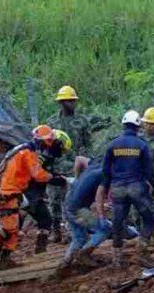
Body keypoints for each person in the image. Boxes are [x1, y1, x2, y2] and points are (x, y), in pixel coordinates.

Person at [0, 125, 65, 271]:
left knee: (13, 228)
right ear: (45, 141)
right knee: (9, 229)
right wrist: (56, 178)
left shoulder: (20, 149)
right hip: (7, 192)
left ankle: (4, 260)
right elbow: (38, 175)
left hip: (8, 191)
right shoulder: (28, 153)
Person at [102, 111, 154, 269]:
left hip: (118, 188)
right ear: (138, 126)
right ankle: (141, 252)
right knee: (150, 218)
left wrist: (106, 191)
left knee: (117, 222)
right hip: (136, 188)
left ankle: (116, 260)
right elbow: (149, 171)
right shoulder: (142, 145)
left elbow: (106, 171)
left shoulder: (112, 145)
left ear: (123, 125)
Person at [46, 85, 95, 242]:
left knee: (74, 201)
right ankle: (56, 231)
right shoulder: (51, 122)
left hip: (75, 169)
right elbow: (45, 145)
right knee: (54, 201)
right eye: (69, 101)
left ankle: (73, 232)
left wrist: (86, 164)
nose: (72, 104)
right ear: (61, 102)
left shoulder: (82, 121)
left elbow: (88, 145)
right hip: (55, 168)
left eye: (73, 101)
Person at [25, 128, 72, 253]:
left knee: (45, 220)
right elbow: (37, 174)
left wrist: (54, 176)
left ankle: (41, 250)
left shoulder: (45, 155)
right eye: (61, 149)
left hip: (32, 190)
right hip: (27, 190)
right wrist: (53, 178)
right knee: (18, 222)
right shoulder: (42, 155)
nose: (60, 153)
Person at [60, 160, 109, 269]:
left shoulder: (95, 165)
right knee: (103, 230)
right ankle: (83, 254)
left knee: (80, 237)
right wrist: (101, 217)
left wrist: (77, 179)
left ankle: (64, 265)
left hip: (68, 204)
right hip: (78, 210)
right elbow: (99, 197)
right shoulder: (107, 174)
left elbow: (79, 159)